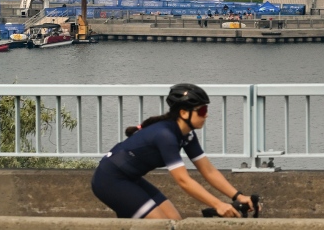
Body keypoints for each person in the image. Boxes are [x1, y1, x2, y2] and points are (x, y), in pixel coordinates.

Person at [91, 83, 258, 219]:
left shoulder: (187, 135)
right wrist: (218, 205)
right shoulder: (165, 136)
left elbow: (208, 171)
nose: (206, 115)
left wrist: (238, 196)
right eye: (202, 111)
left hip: (130, 179)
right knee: (162, 225)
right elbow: (183, 180)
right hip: (110, 181)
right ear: (184, 113)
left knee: (175, 222)